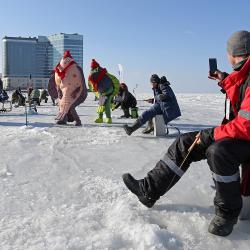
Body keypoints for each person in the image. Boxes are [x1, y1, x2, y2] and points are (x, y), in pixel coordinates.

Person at [122, 30, 250, 237]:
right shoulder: (245, 74)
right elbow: (241, 93)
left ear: (233, 52)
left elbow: (246, 125)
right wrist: (223, 78)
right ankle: (149, 190)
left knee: (218, 151)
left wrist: (211, 134)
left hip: (245, 135)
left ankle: (227, 214)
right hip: (242, 135)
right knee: (185, 142)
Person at [51, 50, 88, 126]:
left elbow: (81, 83)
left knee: (71, 106)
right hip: (65, 92)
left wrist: (77, 91)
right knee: (62, 105)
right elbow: (58, 83)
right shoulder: (60, 70)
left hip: (76, 93)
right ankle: (63, 119)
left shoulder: (76, 69)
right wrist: (59, 92)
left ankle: (78, 121)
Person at [88, 59, 119, 124]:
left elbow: (113, 80)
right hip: (101, 92)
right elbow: (92, 84)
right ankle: (100, 118)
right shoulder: (93, 74)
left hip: (109, 91)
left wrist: (107, 92)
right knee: (101, 105)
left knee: (107, 105)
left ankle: (108, 118)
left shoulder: (103, 73)